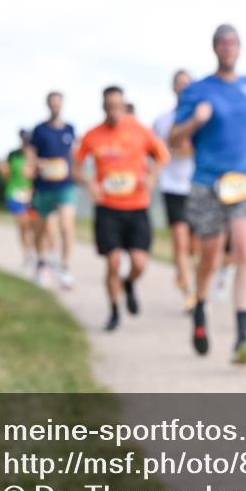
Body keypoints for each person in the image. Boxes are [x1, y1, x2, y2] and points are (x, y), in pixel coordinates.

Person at [170, 24, 246, 364]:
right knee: (210, 257)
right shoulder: (197, 90)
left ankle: (243, 332)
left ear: (240, 48)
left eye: (233, 43)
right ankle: (200, 305)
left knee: (245, 247)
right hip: (208, 182)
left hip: (245, 180)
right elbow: (173, 138)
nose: (228, 48)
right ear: (214, 48)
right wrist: (195, 121)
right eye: (222, 43)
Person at [74, 86, 170, 332]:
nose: (114, 111)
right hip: (108, 207)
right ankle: (115, 310)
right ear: (103, 107)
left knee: (139, 263)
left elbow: (162, 155)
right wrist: (89, 184)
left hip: (136, 206)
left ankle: (129, 284)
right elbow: (75, 167)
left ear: (124, 105)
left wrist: (151, 177)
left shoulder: (139, 130)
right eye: (109, 106)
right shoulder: (92, 135)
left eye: (118, 106)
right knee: (113, 262)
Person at [152, 69, 199, 312]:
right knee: (180, 243)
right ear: (173, 88)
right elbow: (154, 152)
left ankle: (183, 273)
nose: (183, 88)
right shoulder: (163, 121)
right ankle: (189, 293)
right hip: (172, 186)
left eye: (187, 84)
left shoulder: (201, 118)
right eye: (179, 84)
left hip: (198, 186)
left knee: (195, 245)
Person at [27, 91, 78, 289]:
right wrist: (40, 163)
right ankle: (42, 262)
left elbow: (75, 152)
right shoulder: (39, 130)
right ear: (48, 105)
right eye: (52, 104)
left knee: (66, 225)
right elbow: (31, 155)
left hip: (65, 184)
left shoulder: (70, 129)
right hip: (44, 186)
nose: (55, 107)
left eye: (58, 104)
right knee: (41, 229)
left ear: (62, 105)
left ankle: (65, 266)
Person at [0, 130, 38, 270]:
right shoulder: (13, 155)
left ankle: (36, 252)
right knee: (22, 225)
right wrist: (3, 170)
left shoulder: (35, 156)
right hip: (14, 193)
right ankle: (27, 255)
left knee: (33, 226)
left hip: (30, 195)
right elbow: (6, 173)